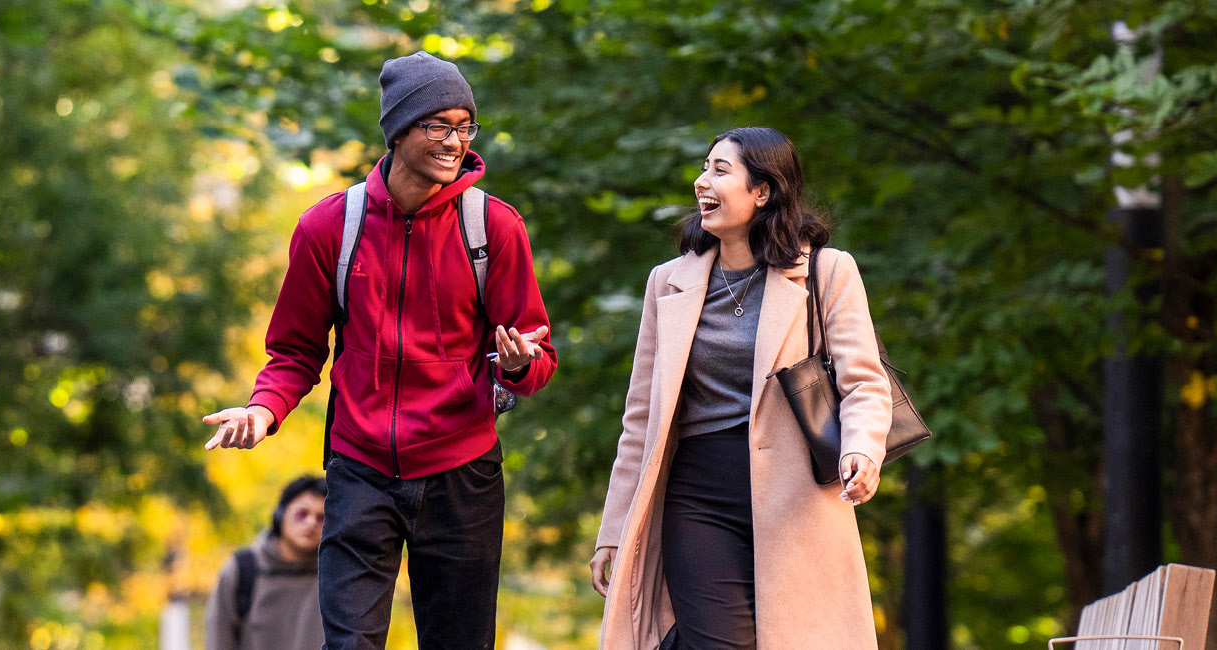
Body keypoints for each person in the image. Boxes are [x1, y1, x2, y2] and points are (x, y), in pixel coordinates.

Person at [200, 51, 558, 649]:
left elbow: (537, 354)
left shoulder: (493, 228)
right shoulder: (330, 229)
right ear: (398, 130)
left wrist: (519, 365)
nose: (456, 141)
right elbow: (294, 351)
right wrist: (262, 410)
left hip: (461, 471)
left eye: (465, 125)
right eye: (438, 125)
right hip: (360, 468)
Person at [587, 127, 891, 650]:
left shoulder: (825, 271)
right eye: (704, 168)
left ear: (763, 191)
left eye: (720, 170)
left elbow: (863, 380)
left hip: (798, 497)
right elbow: (641, 417)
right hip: (697, 497)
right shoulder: (669, 283)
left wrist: (863, 449)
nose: (702, 182)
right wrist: (614, 528)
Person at [205, 476, 327, 650]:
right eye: (302, 514)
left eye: (321, 518)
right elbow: (218, 641)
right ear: (280, 515)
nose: (311, 523)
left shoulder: (338, 576)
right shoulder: (242, 571)